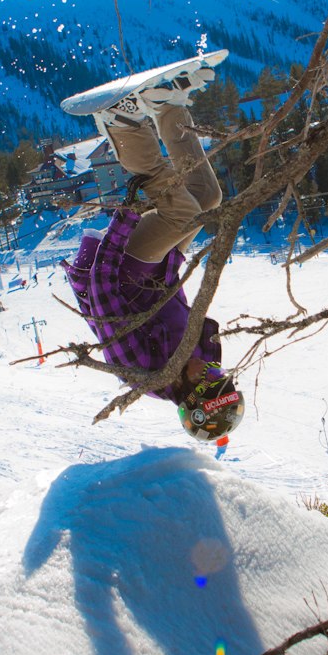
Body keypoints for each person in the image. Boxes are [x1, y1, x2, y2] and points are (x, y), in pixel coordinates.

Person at [62, 75, 245, 443]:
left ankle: (121, 122)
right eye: (221, 376)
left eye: (208, 379)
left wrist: (124, 223)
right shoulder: (205, 360)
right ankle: (166, 104)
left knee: (182, 213)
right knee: (207, 198)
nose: (212, 368)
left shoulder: (142, 370)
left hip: (115, 275)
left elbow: (101, 299)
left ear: (185, 392)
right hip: (157, 271)